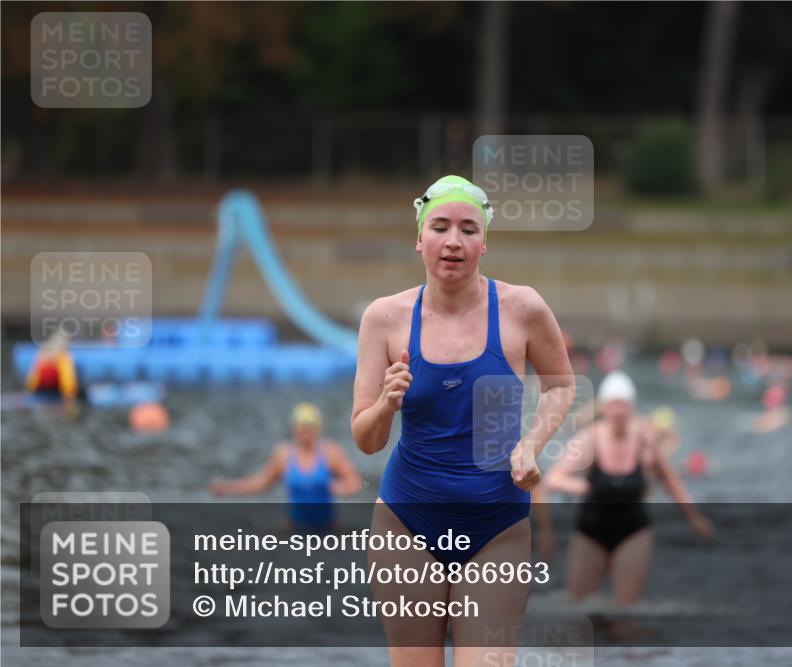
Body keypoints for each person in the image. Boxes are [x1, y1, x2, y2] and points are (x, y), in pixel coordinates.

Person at [351, 175, 575, 667]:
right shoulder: (384, 319)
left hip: (497, 524)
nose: (454, 240)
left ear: (484, 243)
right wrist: (387, 403)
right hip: (407, 522)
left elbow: (561, 386)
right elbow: (366, 440)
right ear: (420, 239)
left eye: (468, 229)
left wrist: (531, 445)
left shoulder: (522, 308)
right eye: (441, 227)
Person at [545, 371, 713, 606]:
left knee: (625, 611)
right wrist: (587, 487)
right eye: (614, 405)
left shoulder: (644, 440)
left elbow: (669, 480)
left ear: (631, 407)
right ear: (603, 407)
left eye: (624, 405)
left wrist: (694, 518)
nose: (619, 412)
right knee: (576, 606)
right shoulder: (589, 439)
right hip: (591, 531)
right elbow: (553, 479)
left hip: (633, 531)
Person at [209, 403, 361, 532]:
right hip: (295, 528)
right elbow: (261, 483)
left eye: (310, 427)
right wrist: (228, 487)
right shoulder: (284, 455)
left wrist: (335, 487)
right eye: (302, 427)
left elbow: (355, 483)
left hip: (328, 529)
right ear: (294, 428)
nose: (306, 432)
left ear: (318, 429)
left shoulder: (331, 452)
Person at [25, 329, 78, 409]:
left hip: (38, 392)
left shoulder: (42, 354)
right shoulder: (63, 356)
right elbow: (68, 379)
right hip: (56, 394)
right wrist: (69, 396)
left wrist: (29, 391)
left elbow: (32, 377)